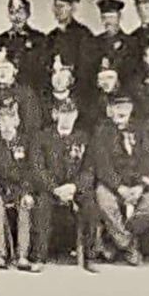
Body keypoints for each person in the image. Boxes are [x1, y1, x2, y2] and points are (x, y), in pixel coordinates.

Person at [87, 95, 149, 267]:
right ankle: (129, 245)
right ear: (110, 110)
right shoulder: (102, 131)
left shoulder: (140, 130)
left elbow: (148, 159)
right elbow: (102, 165)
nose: (120, 112)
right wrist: (119, 187)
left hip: (137, 182)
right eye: (116, 108)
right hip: (112, 183)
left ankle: (117, 239)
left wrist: (140, 185)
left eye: (125, 107)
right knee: (105, 201)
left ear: (131, 109)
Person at [32, 98, 94, 272]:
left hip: (75, 188)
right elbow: (38, 168)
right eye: (63, 113)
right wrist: (54, 188)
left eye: (71, 114)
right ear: (55, 114)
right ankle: (39, 256)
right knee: (41, 204)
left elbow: (89, 168)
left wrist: (74, 187)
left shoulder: (83, 138)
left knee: (90, 203)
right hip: (51, 188)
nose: (66, 118)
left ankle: (89, 255)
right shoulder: (42, 137)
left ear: (76, 115)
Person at [0, 99, 39, 270]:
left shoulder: (27, 142)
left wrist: (27, 191)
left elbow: (32, 170)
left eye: (10, 118)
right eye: (2, 119)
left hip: (21, 188)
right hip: (0, 187)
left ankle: (23, 255)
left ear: (17, 121)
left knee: (25, 205)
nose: (6, 124)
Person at [0, 46, 44, 138]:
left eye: (6, 67)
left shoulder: (26, 94)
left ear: (15, 69)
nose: (2, 72)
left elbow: (32, 126)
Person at [0, 0, 49, 91]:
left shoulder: (39, 39)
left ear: (28, 13)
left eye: (20, 11)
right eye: (12, 12)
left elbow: (44, 72)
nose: (16, 17)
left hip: (33, 93)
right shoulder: (2, 40)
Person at [45, 0, 94, 79]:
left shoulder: (83, 34)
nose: (58, 11)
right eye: (56, 6)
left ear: (71, 8)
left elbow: (88, 68)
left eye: (62, 6)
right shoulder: (51, 36)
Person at [91, 0, 139, 86]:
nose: (108, 21)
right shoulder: (93, 43)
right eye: (104, 17)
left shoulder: (132, 43)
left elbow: (135, 74)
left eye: (112, 17)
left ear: (119, 16)